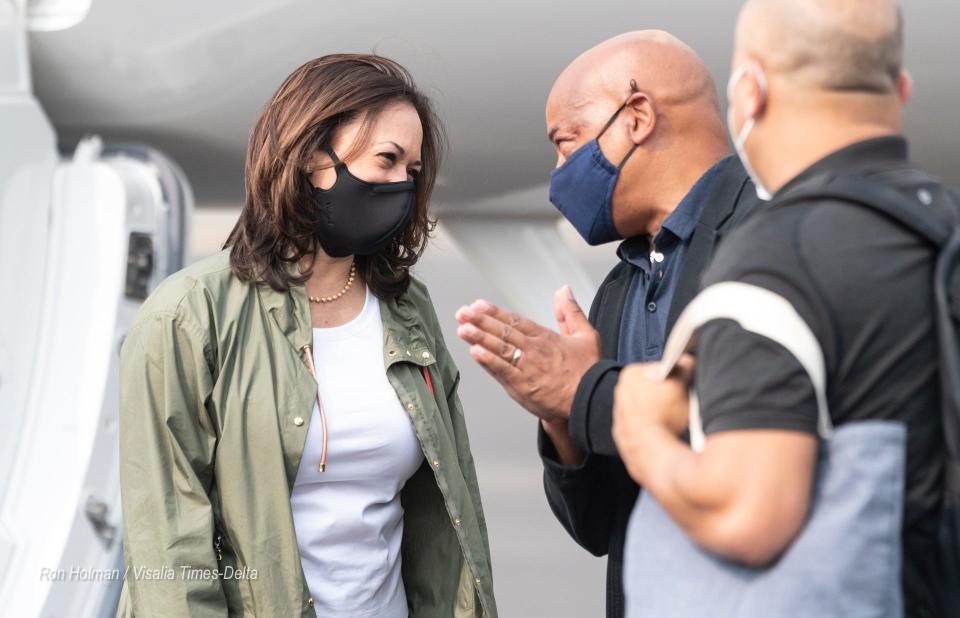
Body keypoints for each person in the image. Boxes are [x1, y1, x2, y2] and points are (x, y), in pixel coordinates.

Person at [116, 54, 497, 617]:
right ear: (309, 156)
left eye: (412, 173)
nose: (401, 186)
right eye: (386, 160)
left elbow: (450, 514)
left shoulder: (408, 309)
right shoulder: (189, 314)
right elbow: (168, 547)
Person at [612, 1, 949, 615]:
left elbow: (749, 515)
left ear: (751, 91)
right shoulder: (942, 227)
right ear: (899, 90)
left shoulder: (775, 261)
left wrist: (642, 433)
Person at [455, 31, 759, 616]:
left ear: (637, 116)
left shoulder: (770, 243)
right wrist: (562, 417)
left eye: (567, 145)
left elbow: (749, 445)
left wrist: (584, 389)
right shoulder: (621, 288)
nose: (559, 174)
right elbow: (598, 527)